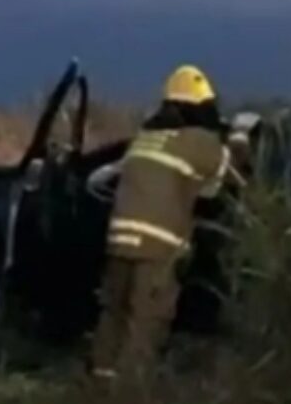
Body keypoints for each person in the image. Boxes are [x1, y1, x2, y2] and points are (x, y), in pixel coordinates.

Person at [89, 65, 232, 379]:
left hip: (119, 242)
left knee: (113, 315)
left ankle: (100, 388)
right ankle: (130, 399)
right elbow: (214, 188)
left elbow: (103, 179)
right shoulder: (203, 142)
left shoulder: (147, 137)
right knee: (146, 322)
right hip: (157, 248)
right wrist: (236, 142)